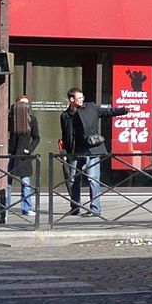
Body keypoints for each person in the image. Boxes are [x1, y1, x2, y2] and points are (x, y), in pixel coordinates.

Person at [59, 88, 128, 217]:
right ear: (72, 99)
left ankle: (95, 208)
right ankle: (75, 207)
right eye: (79, 98)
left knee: (92, 179)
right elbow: (65, 135)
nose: (82, 100)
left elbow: (108, 111)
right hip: (75, 150)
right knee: (73, 179)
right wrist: (65, 152)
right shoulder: (65, 115)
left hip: (91, 149)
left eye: (82, 97)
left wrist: (124, 110)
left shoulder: (90, 107)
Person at [8, 96, 40, 216]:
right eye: (21, 104)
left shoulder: (32, 119)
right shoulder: (10, 118)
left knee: (26, 182)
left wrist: (29, 149)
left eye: (26, 104)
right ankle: (4, 207)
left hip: (23, 154)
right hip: (10, 152)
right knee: (6, 182)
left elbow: (36, 137)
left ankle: (27, 208)